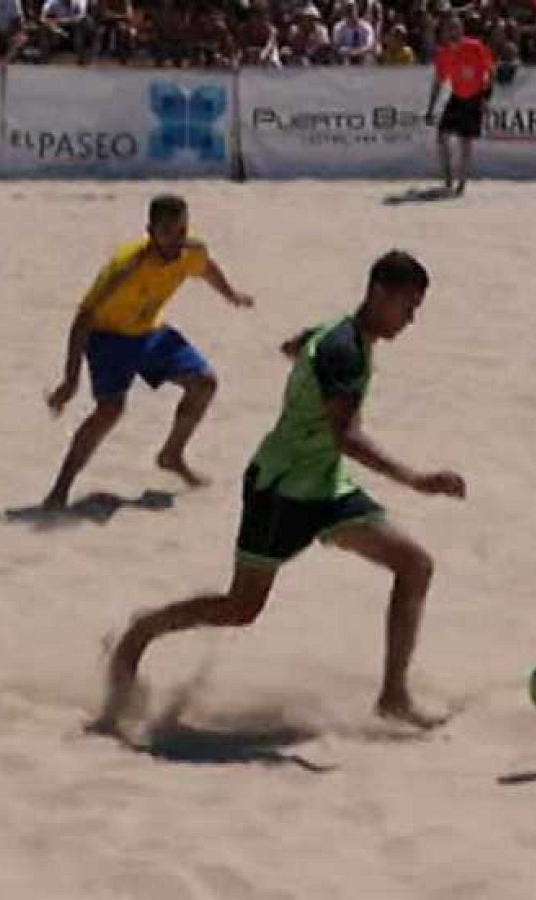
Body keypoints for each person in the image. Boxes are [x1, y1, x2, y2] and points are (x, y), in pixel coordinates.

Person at [87, 250, 465, 736]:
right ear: (379, 294)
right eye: (407, 307)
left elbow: (296, 346)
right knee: (241, 608)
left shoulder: (337, 335)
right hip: (280, 492)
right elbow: (344, 435)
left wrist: (299, 354)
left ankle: (394, 696)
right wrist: (416, 479)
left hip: (325, 487)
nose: (411, 320)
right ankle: (142, 629)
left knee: (414, 564)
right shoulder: (343, 350)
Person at [42, 195, 253, 509]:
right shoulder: (126, 265)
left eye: (181, 230)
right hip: (107, 337)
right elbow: (83, 319)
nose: (176, 239)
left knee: (204, 383)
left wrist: (231, 294)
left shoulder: (191, 251)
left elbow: (207, 268)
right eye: (167, 231)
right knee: (110, 411)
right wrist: (70, 380)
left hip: (150, 333)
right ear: (150, 231)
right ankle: (60, 488)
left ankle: (171, 455)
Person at [424, 13, 495, 197]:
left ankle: (461, 183)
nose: (453, 31)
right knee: (442, 137)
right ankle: (448, 177)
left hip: (474, 97)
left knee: (466, 142)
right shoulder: (444, 54)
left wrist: (486, 96)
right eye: (449, 28)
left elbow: (490, 69)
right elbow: (438, 83)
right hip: (457, 96)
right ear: (444, 32)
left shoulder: (474, 47)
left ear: (462, 29)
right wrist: (431, 108)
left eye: (456, 27)